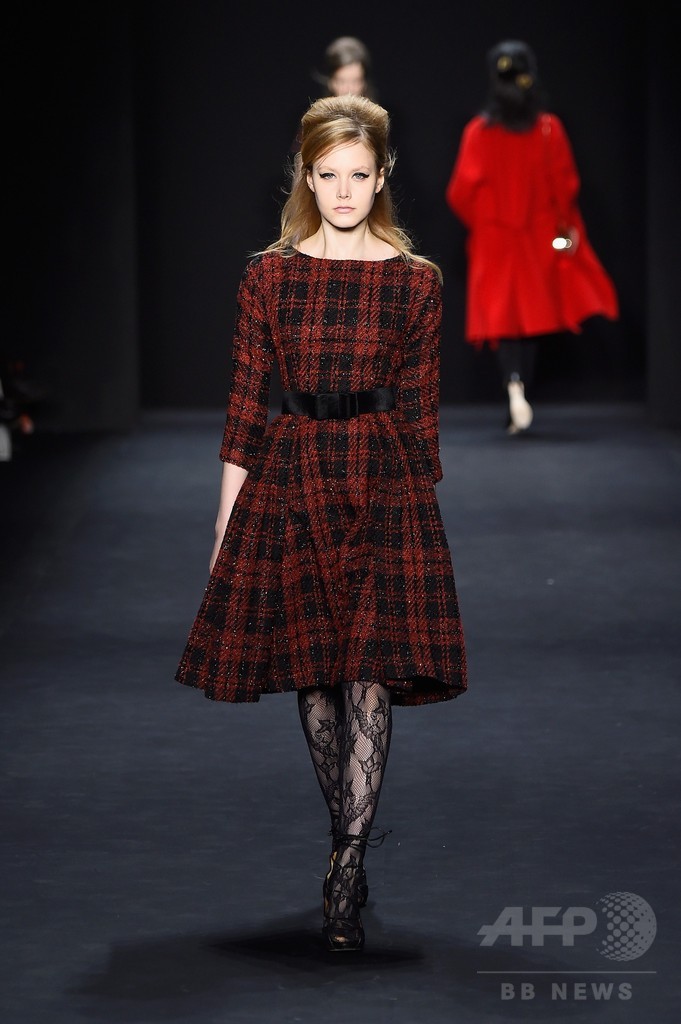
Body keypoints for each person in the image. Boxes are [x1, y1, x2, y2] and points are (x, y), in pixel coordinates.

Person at [175, 94, 468, 952]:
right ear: (306, 176)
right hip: (293, 474)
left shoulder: (415, 282)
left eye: (359, 175)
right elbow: (244, 407)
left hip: (382, 480)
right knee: (313, 672)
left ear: (382, 178)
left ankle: (345, 862)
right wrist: (224, 524)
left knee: (368, 669)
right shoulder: (268, 276)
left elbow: (420, 412)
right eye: (328, 174)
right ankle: (349, 835)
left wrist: (419, 516)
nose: (343, 191)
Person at [445, 39, 619, 435]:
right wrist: (564, 229)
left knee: (504, 320)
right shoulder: (547, 128)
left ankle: (513, 387)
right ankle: (520, 389)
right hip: (537, 236)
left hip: (494, 238)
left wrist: (484, 221)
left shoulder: (479, 132)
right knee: (531, 320)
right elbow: (565, 186)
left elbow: (460, 192)